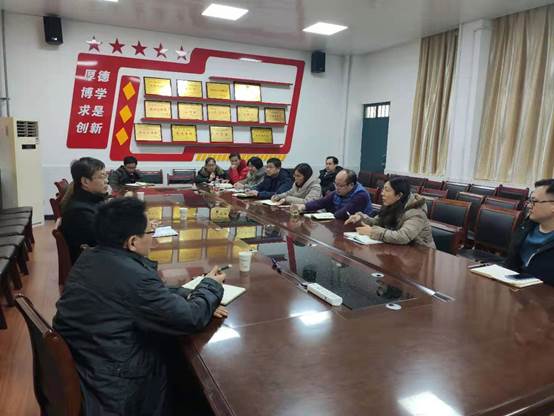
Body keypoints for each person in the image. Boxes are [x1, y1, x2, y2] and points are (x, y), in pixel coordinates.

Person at [53, 197, 227, 415]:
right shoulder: (136, 278)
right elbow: (190, 318)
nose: (153, 238)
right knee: (190, 370)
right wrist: (210, 286)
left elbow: (136, 296)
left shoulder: (90, 257)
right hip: (116, 384)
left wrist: (189, 293)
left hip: (91, 361)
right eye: (150, 232)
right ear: (133, 242)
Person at [345, 177, 435, 248]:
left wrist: (372, 231)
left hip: (420, 253)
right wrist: (361, 218)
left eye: (387, 190)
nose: (382, 193)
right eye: (383, 189)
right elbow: (377, 221)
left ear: (399, 195)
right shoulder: (392, 204)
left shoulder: (416, 212)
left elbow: (403, 236)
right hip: (399, 249)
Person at [504, 179, 554, 283]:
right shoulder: (526, 226)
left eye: (534, 201)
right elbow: (510, 262)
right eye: (529, 201)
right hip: (512, 284)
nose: (529, 205)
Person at [60, 157, 108, 263]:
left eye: (106, 176)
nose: (106, 181)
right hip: (92, 264)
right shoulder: (80, 212)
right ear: (85, 181)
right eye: (102, 177)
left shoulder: (91, 200)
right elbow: (105, 241)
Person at [291, 170, 372, 220]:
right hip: (337, 224)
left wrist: (325, 216)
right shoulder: (338, 191)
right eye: (335, 184)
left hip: (356, 229)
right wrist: (303, 206)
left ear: (351, 185)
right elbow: (322, 202)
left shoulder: (361, 195)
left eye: (340, 185)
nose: (337, 188)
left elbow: (343, 214)